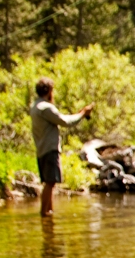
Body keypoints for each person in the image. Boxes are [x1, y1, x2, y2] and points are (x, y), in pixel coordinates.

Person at [29, 77, 94, 217]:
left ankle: (49, 212)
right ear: (49, 91)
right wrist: (82, 114)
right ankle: (44, 213)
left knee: (49, 182)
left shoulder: (35, 106)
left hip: (41, 149)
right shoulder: (45, 107)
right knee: (50, 182)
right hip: (49, 149)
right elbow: (65, 122)